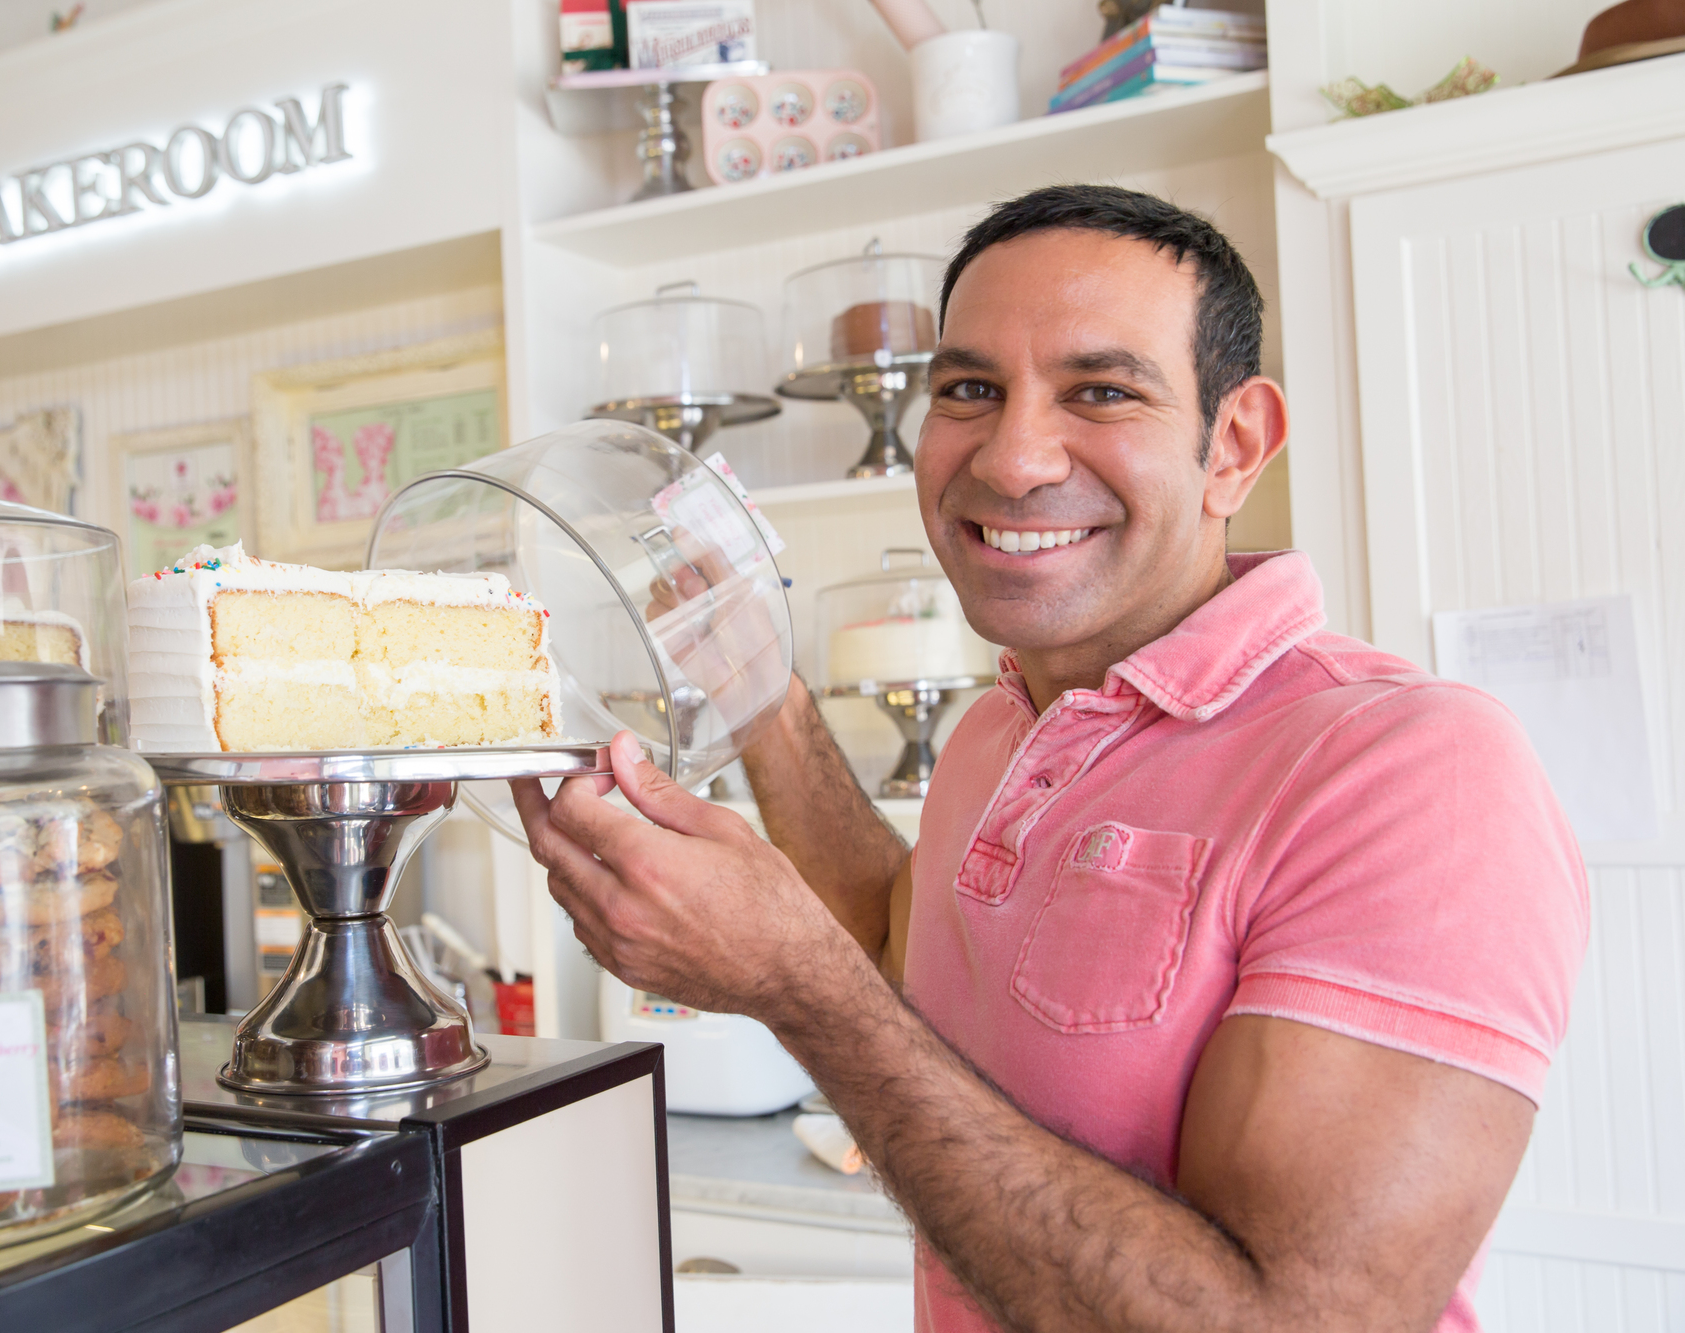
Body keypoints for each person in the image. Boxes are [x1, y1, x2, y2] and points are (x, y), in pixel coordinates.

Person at [512, 185, 1587, 1333]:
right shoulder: (1009, 717)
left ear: (1232, 446)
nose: (1014, 457)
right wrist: (766, 703)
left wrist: (792, 987)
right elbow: (895, 952)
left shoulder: (1410, 767)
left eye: (1101, 391)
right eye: (969, 390)